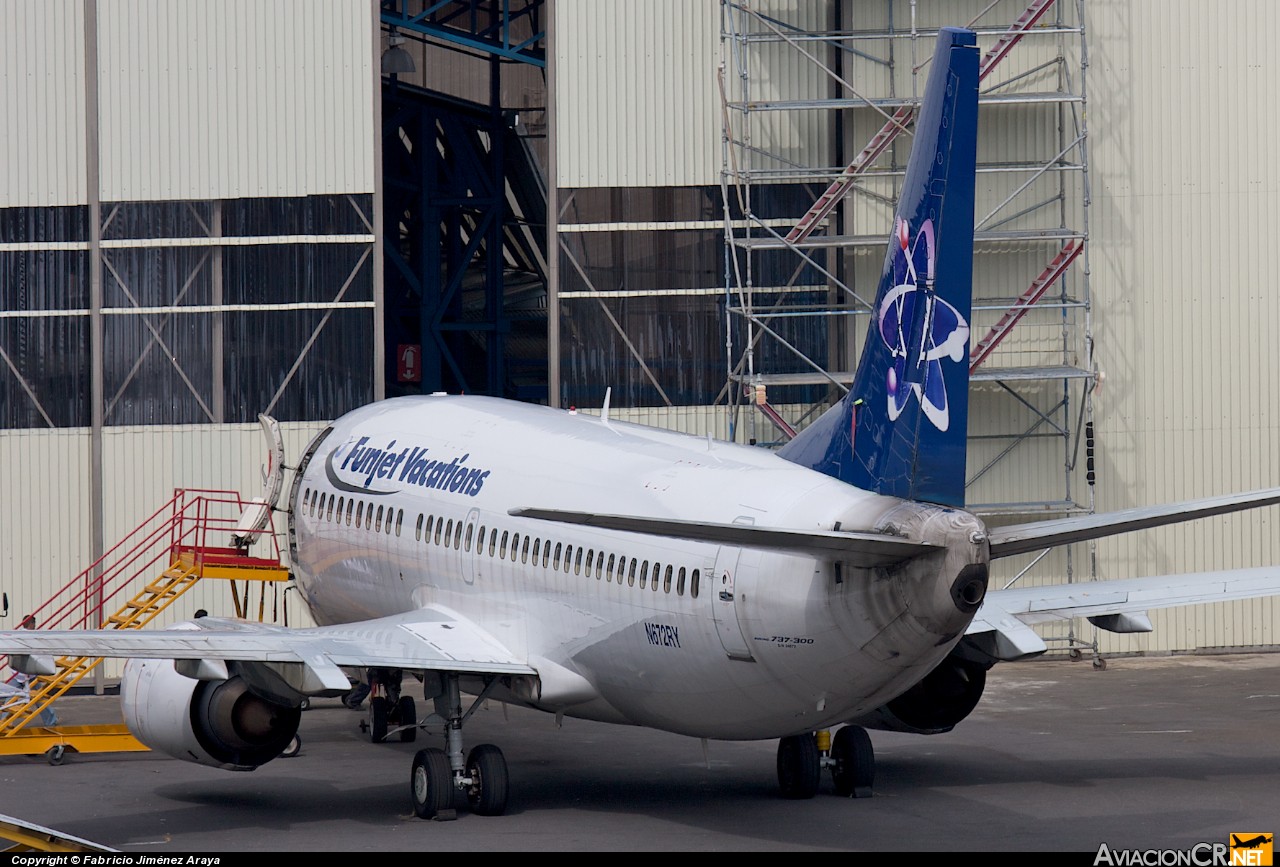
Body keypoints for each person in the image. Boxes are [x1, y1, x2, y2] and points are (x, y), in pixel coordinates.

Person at [2, 615, 57, 727]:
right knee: (39, 699)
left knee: (10, 699)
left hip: (17, 674)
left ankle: (4, 722)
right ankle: (51, 720)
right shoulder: (31, 637)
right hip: (28, 676)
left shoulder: (16, 635)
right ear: (31, 624)